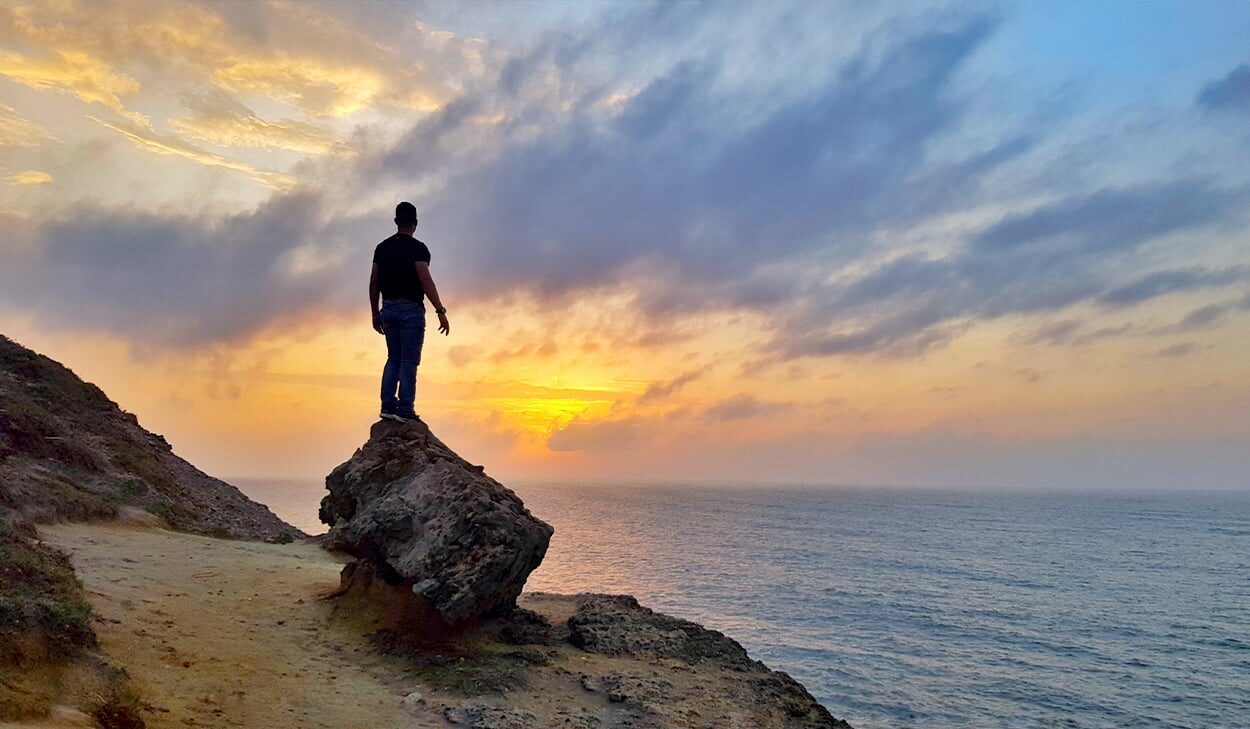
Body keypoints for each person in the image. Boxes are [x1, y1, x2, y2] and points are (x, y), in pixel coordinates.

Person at [369, 202, 449, 423]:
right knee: (409, 360)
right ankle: (405, 409)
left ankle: (387, 406)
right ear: (415, 223)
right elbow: (425, 280)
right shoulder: (418, 248)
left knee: (393, 357)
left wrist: (375, 313)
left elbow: (374, 282)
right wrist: (440, 309)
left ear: (396, 221)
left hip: (389, 308)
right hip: (411, 310)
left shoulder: (382, 248)